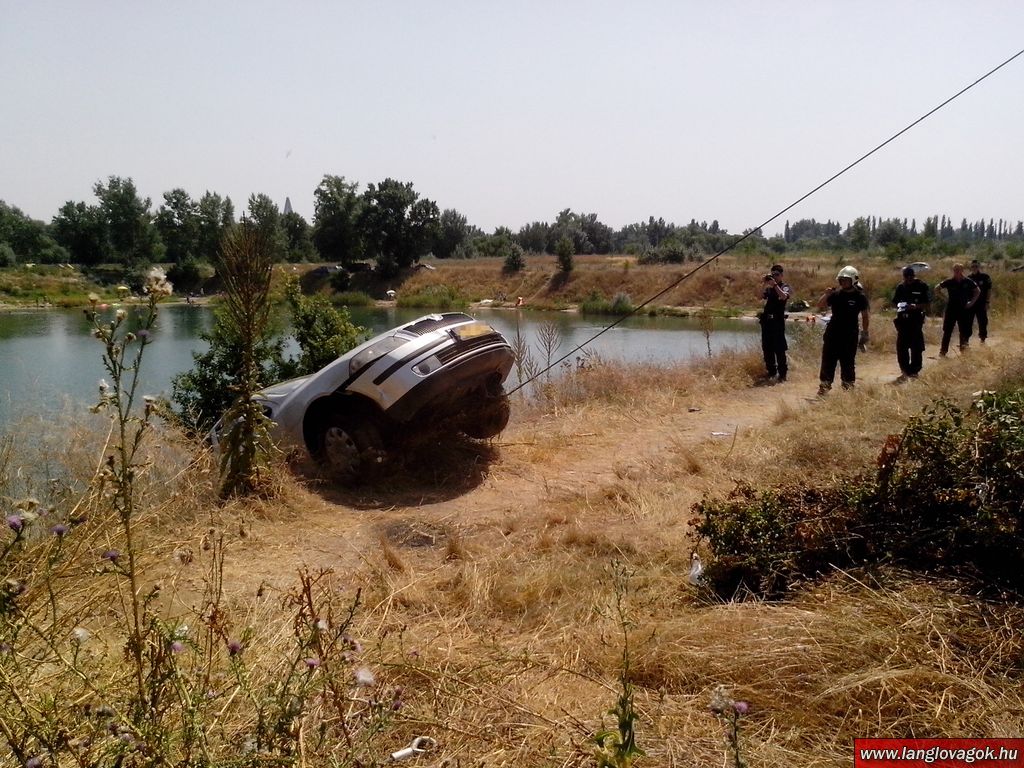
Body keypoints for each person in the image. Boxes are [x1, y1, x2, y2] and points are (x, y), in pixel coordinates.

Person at [817, 265, 870, 396]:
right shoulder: (835, 294)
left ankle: (848, 386)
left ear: (853, 280)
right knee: (828, 360)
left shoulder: (860, 297)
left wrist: (865, 332)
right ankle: (825, 385)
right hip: (833, 333)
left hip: (850, 334)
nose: (843, 282)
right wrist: (826, 294)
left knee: (848, 362)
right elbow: (820, 305)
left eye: (846, 280)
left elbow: (865, 315)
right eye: (841, 280)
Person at [891, 266, 931, 381]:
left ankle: (914, 371)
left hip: (916, 320)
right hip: (902, 321)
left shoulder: (922, 286)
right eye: (906, 276)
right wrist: (901, 305)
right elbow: (894, 302)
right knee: (901, 347)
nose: (908, 279)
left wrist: (916, 306)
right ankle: (904, 370)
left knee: (916, 347)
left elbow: (927, 303)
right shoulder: (901, 287)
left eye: (911, 276)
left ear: (914, 276)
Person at [937, 263, 980, 356]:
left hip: (963, 309)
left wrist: (971, 302)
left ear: (962, 270)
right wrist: (945, 298)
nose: (956, 272)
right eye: (955, 270)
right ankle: (943, 351)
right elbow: (937, 289)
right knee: (947, 330)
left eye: (958, 269)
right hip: (951, 309)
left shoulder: (968, 281)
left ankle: (963, 350)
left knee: (964, 330)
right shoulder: (949, 281)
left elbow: (977, 291)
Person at [758, 264, 791, 383]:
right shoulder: (769, 288)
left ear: (781, 275)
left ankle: (782, 375)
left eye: (776, 275)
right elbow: (759, 297)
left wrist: (775, 285)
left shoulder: (785, 286)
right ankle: (771, 372)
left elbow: (783, 297)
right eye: (772, 275)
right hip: (767, 321)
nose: (774, 277)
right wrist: (763, 283)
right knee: (767, 347)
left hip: (777, 321)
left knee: (779, 348)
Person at [968, 259, 993, 343]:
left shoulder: (985, 277)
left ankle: (983, 339)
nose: (974, 268)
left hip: (981, 303)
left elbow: (989, 290)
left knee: (982, 321)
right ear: (970, 268)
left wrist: (987, 302)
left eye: (976, 266)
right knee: (968, 322)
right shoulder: (968, 278)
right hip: (971, 304)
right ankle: (965, 340)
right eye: (972, 266)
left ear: (979, 267)